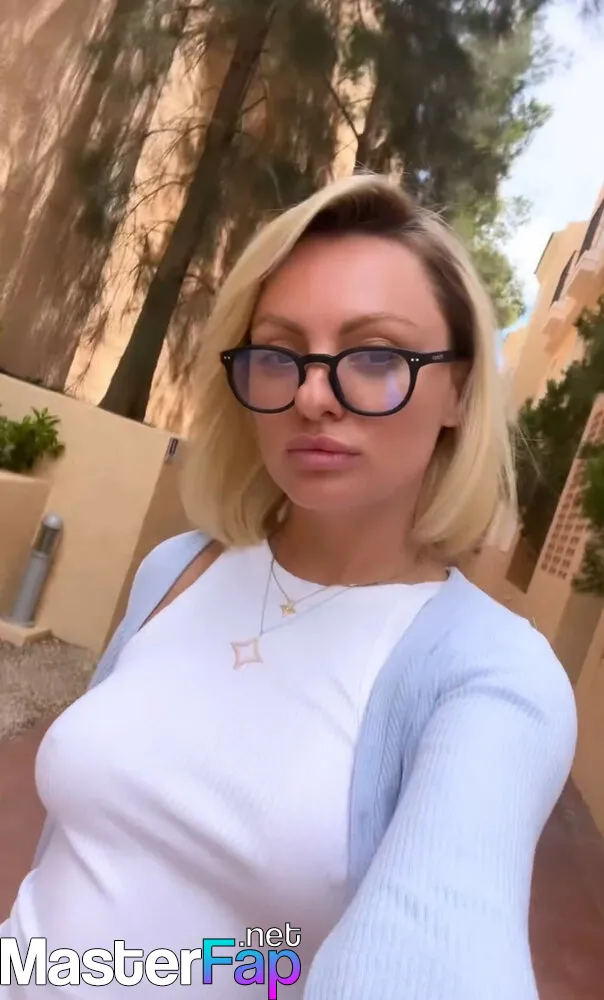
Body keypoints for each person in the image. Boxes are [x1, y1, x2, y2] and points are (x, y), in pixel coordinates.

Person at [1, 173, 576, 999]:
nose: (311, 395)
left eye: (374, 357)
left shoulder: (492, 676)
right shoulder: (179, 568)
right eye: (278, 355)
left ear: (457, 388)